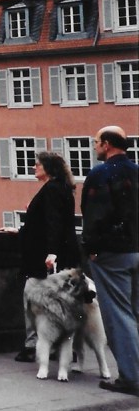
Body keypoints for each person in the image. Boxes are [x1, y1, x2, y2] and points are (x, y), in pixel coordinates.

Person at [81, 125, 139, 396]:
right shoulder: (136, 171)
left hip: (113, 253)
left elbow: (94, 214)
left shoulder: (100, 173)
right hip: (137, 248)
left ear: (106, 144)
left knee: (118, 315)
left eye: (96, 142)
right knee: (135, 312)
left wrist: (91, 248)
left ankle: (131, 377)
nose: (95, 147)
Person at [13, 152, 81, 363]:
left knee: (32, 297)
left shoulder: (51, 189)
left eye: (38, 164)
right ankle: (61, 347)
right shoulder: (62, 188)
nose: (34, 167)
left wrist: (52, 252)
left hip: (44, 258)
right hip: (62, 254)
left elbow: (53, 223)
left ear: (48, 168)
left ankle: (33, 345)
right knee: (59, 302)